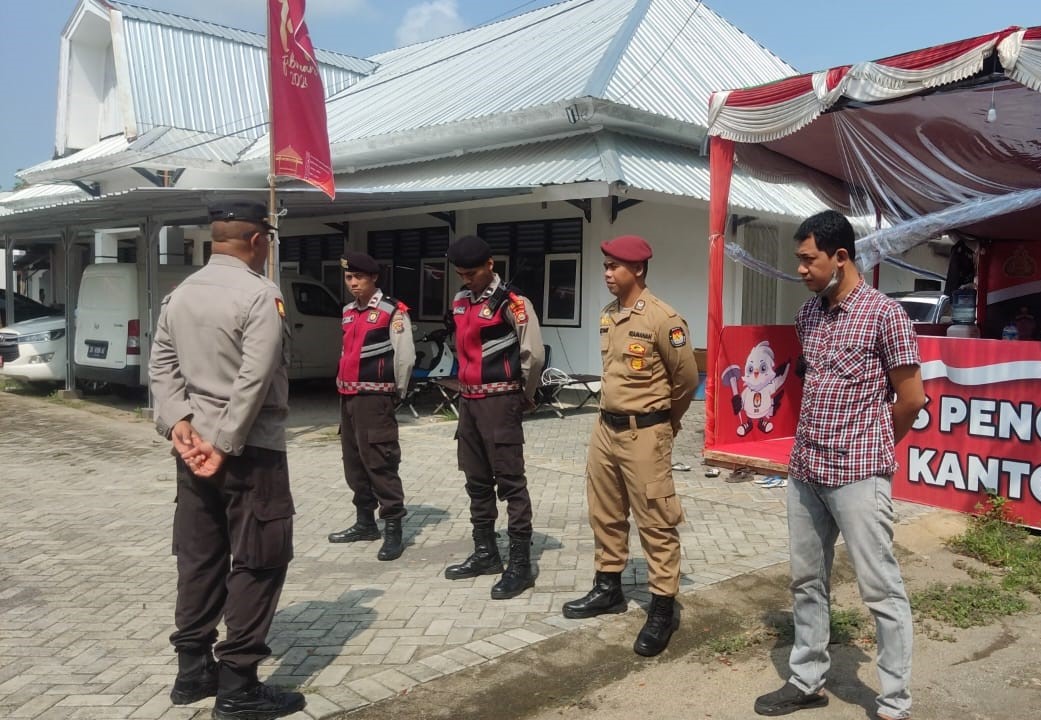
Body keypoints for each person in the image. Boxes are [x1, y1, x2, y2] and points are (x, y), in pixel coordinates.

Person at [754, 210, 925, 720]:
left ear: (840, 256)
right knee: (807, 581)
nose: (801, 269)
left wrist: (872, 447)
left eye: (809, 260)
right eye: (799, 260)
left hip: (858, 474)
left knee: (881, 589)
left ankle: (894, 702)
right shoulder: (809, 315)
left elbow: (912, 399)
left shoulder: (885, 315)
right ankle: (807, 679)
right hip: (806, 469)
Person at [149, 201, 305, 720]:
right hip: (249, 451)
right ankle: (238, 686)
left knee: (199, 557)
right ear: (258, 241)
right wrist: (225, 442)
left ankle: (192, 673)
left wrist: (179, 426)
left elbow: (162, 366)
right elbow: (255, 378)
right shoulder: (260, 295)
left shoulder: (180, 294)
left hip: (192, 453)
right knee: (260, 559)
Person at [562, 234, 700, 657]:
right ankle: (608, 587)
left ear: (637, 270)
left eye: (614, 266)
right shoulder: (609, 316)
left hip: (646, 432)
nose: (607, 273)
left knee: (655, 520)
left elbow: (687, 381)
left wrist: (665, 425)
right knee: (604, 512)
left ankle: (662, 607)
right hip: (606, 429)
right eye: (605, 265)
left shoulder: (664, 319)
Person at [442, 234, 545, 600]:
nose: (466, 280)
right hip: (468, 404)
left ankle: (520, 563)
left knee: (511, 483)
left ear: (490, 266)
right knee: (476, 480)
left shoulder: (513, 303)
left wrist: (525, 396)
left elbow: (532, 353)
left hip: (501, 402)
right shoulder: (459, 300)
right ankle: (486, 552)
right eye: (460, 274)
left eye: (472, 273)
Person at [327, 251, 415, 561]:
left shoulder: (393, 311)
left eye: (359, 278)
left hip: (376, 398)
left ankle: (393, 529)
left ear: (373, 278)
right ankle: (365, 522)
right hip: (348, 397)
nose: (353, 283)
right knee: (353, 461)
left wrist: (397, 393)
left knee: (380, 460)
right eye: (349, 278)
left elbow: (404, 357)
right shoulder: (348, 312)